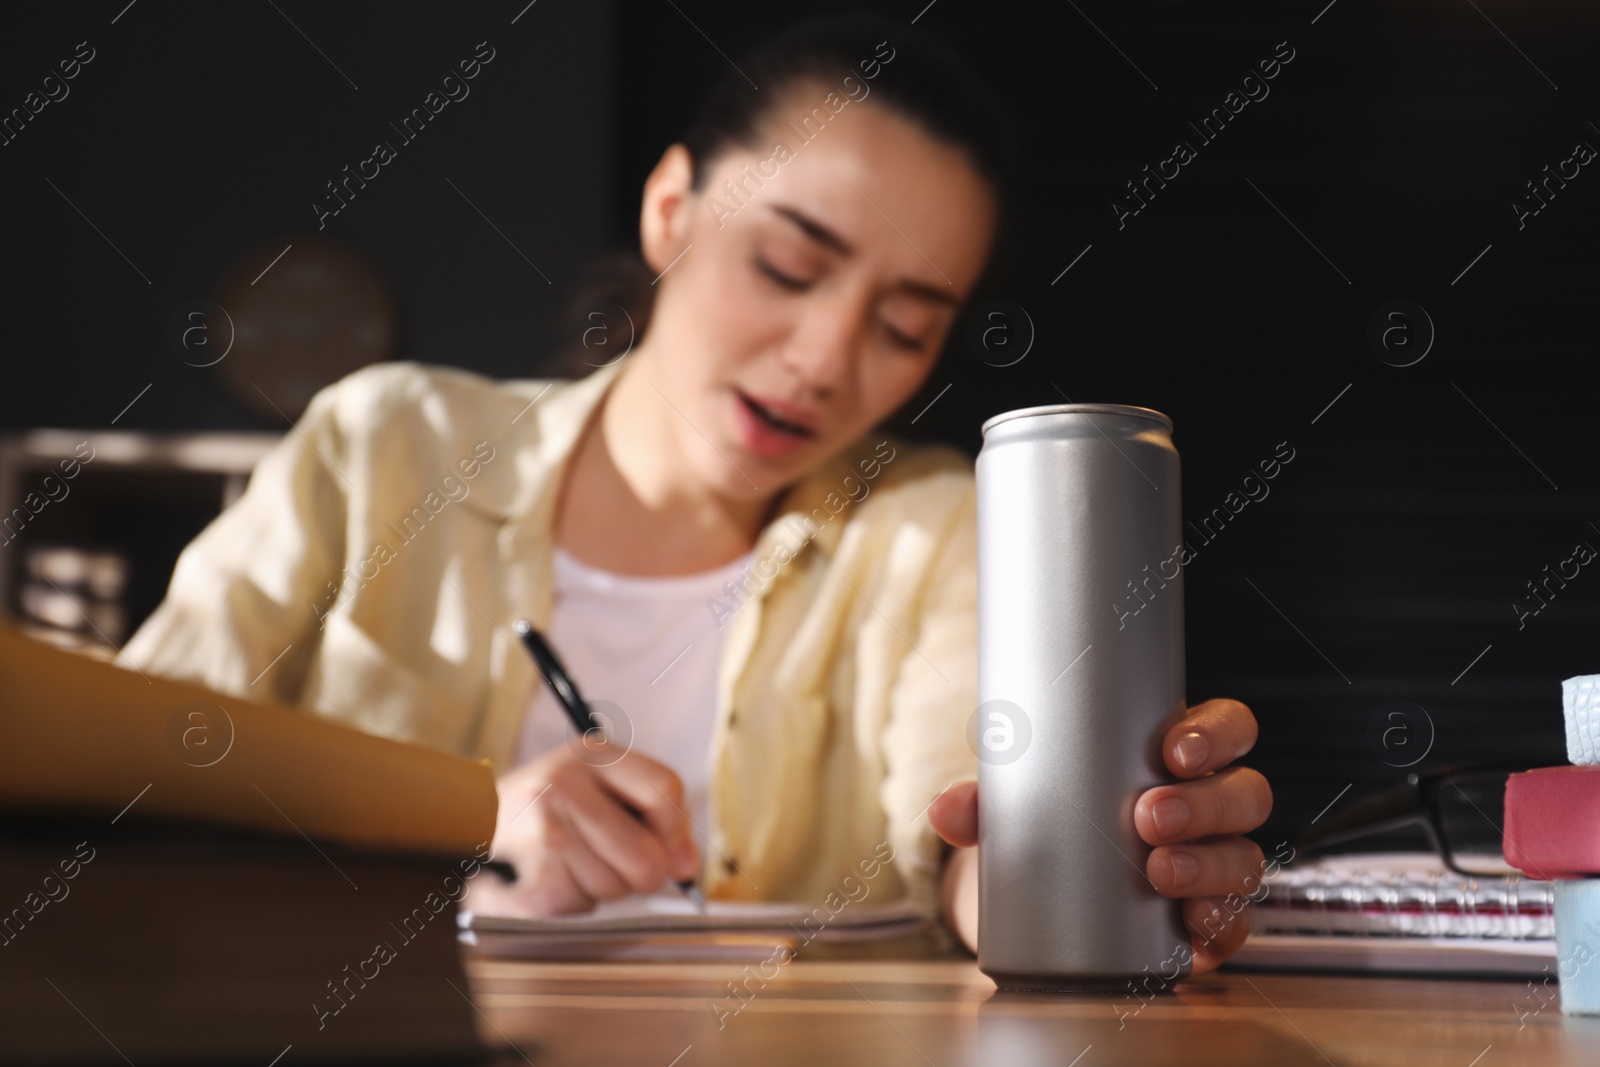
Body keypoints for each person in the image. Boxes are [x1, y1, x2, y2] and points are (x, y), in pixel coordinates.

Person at [118, 14, 1270, 971]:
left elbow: (964, 833)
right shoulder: (384, 447)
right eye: (787, 265)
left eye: (904, 326)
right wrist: (462, 822)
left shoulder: (931, 527)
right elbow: (128, 773)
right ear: (671, 210)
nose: (822, 358)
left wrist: (1098, 878)